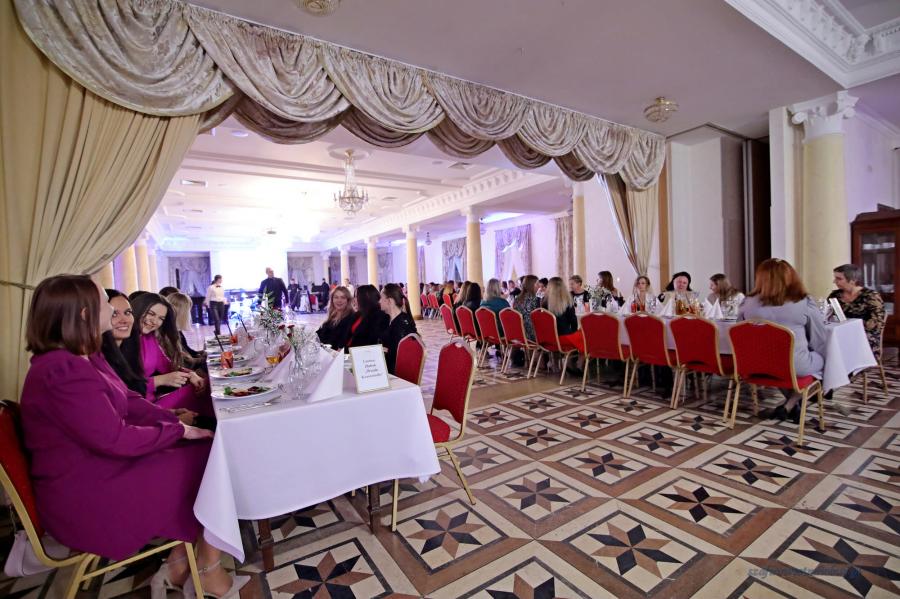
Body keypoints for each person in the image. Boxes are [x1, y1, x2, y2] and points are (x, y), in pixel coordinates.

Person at [20, 275, 244, 597]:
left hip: (100, 468)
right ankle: (203, 569)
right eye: (105, 303)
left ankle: (181, 563)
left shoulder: (86, 356)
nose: (114, 310)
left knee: (210, 452)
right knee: (212, 462)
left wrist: (170, 420)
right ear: (85, 313)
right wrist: (178, 430)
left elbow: (129, 399)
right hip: (86, 491)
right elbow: (114, 439)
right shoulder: (62, 370)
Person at [739, 258, 828, 422]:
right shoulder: (804, 302)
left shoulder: (747, 302)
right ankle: (792, 403)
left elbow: (740, 331)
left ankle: (790, 406)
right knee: (825, 359)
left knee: (777, 364)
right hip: (793, 365)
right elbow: (818, 338)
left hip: (756, 364)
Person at [121, 293, 211, 417]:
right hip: (138, 407)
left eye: (161, 318)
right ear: (138, 309)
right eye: (151, 314)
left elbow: (168, 365)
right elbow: (122, 387)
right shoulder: (121, 341)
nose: (154, 321)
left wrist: (191, 374)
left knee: (208, 386)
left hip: (153, 400)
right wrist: (160, 380)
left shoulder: (149, 338)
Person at [829, 263, 886, 359]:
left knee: (838, 345)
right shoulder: (835, 295)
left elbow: (877, 323)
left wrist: (851, 327)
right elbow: (826, 315)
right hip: (840, 334)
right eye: (835, 278)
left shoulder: (870, 296)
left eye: (839, 278)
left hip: (864, 337)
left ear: (853, 280)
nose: (834, 281)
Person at [544, 277, 585, 370]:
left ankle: (555, 364)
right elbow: (573, 321)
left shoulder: (544, 301)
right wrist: (574, 332)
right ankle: (578, 363)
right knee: (585, 336)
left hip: (548, 338)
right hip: (563, 338)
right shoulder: (567, 301)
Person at [378, 283, 418, 374]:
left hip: (396, 372)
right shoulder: (387, 319)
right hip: (386, 367)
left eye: (381, 298)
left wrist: (382, 350)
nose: (379, 301)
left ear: (389, 301)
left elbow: (400, 354)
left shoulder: (402, 324)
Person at [167, 292, 207, 369]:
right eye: (188, 310)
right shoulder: (169, 333)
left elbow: (187, 351)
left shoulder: (175, 330)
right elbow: (184, 363)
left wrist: (202, 354)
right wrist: (203, 359)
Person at [346, 284, 389, 349]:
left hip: (361, 352)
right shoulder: (358, 314)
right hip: (349, 351)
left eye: (356, 297)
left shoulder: (378, 316)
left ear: (365, 298)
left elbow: (370, 341)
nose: (354, 300)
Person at [315, 286, 355, 350]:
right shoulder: (332, 316)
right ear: (332, 300)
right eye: (336, 297)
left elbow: (343, 342)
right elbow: (319, 334)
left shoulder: (351, 317)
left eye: (343, 297)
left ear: (348, 300)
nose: (339, 300)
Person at [514, 275, 541, 341]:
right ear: (531, 285)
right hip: (533, 335)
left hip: (519, 333)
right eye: (537, 284)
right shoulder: (536, 300)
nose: (539, 286)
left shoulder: (517, 299)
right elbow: (539, 319)